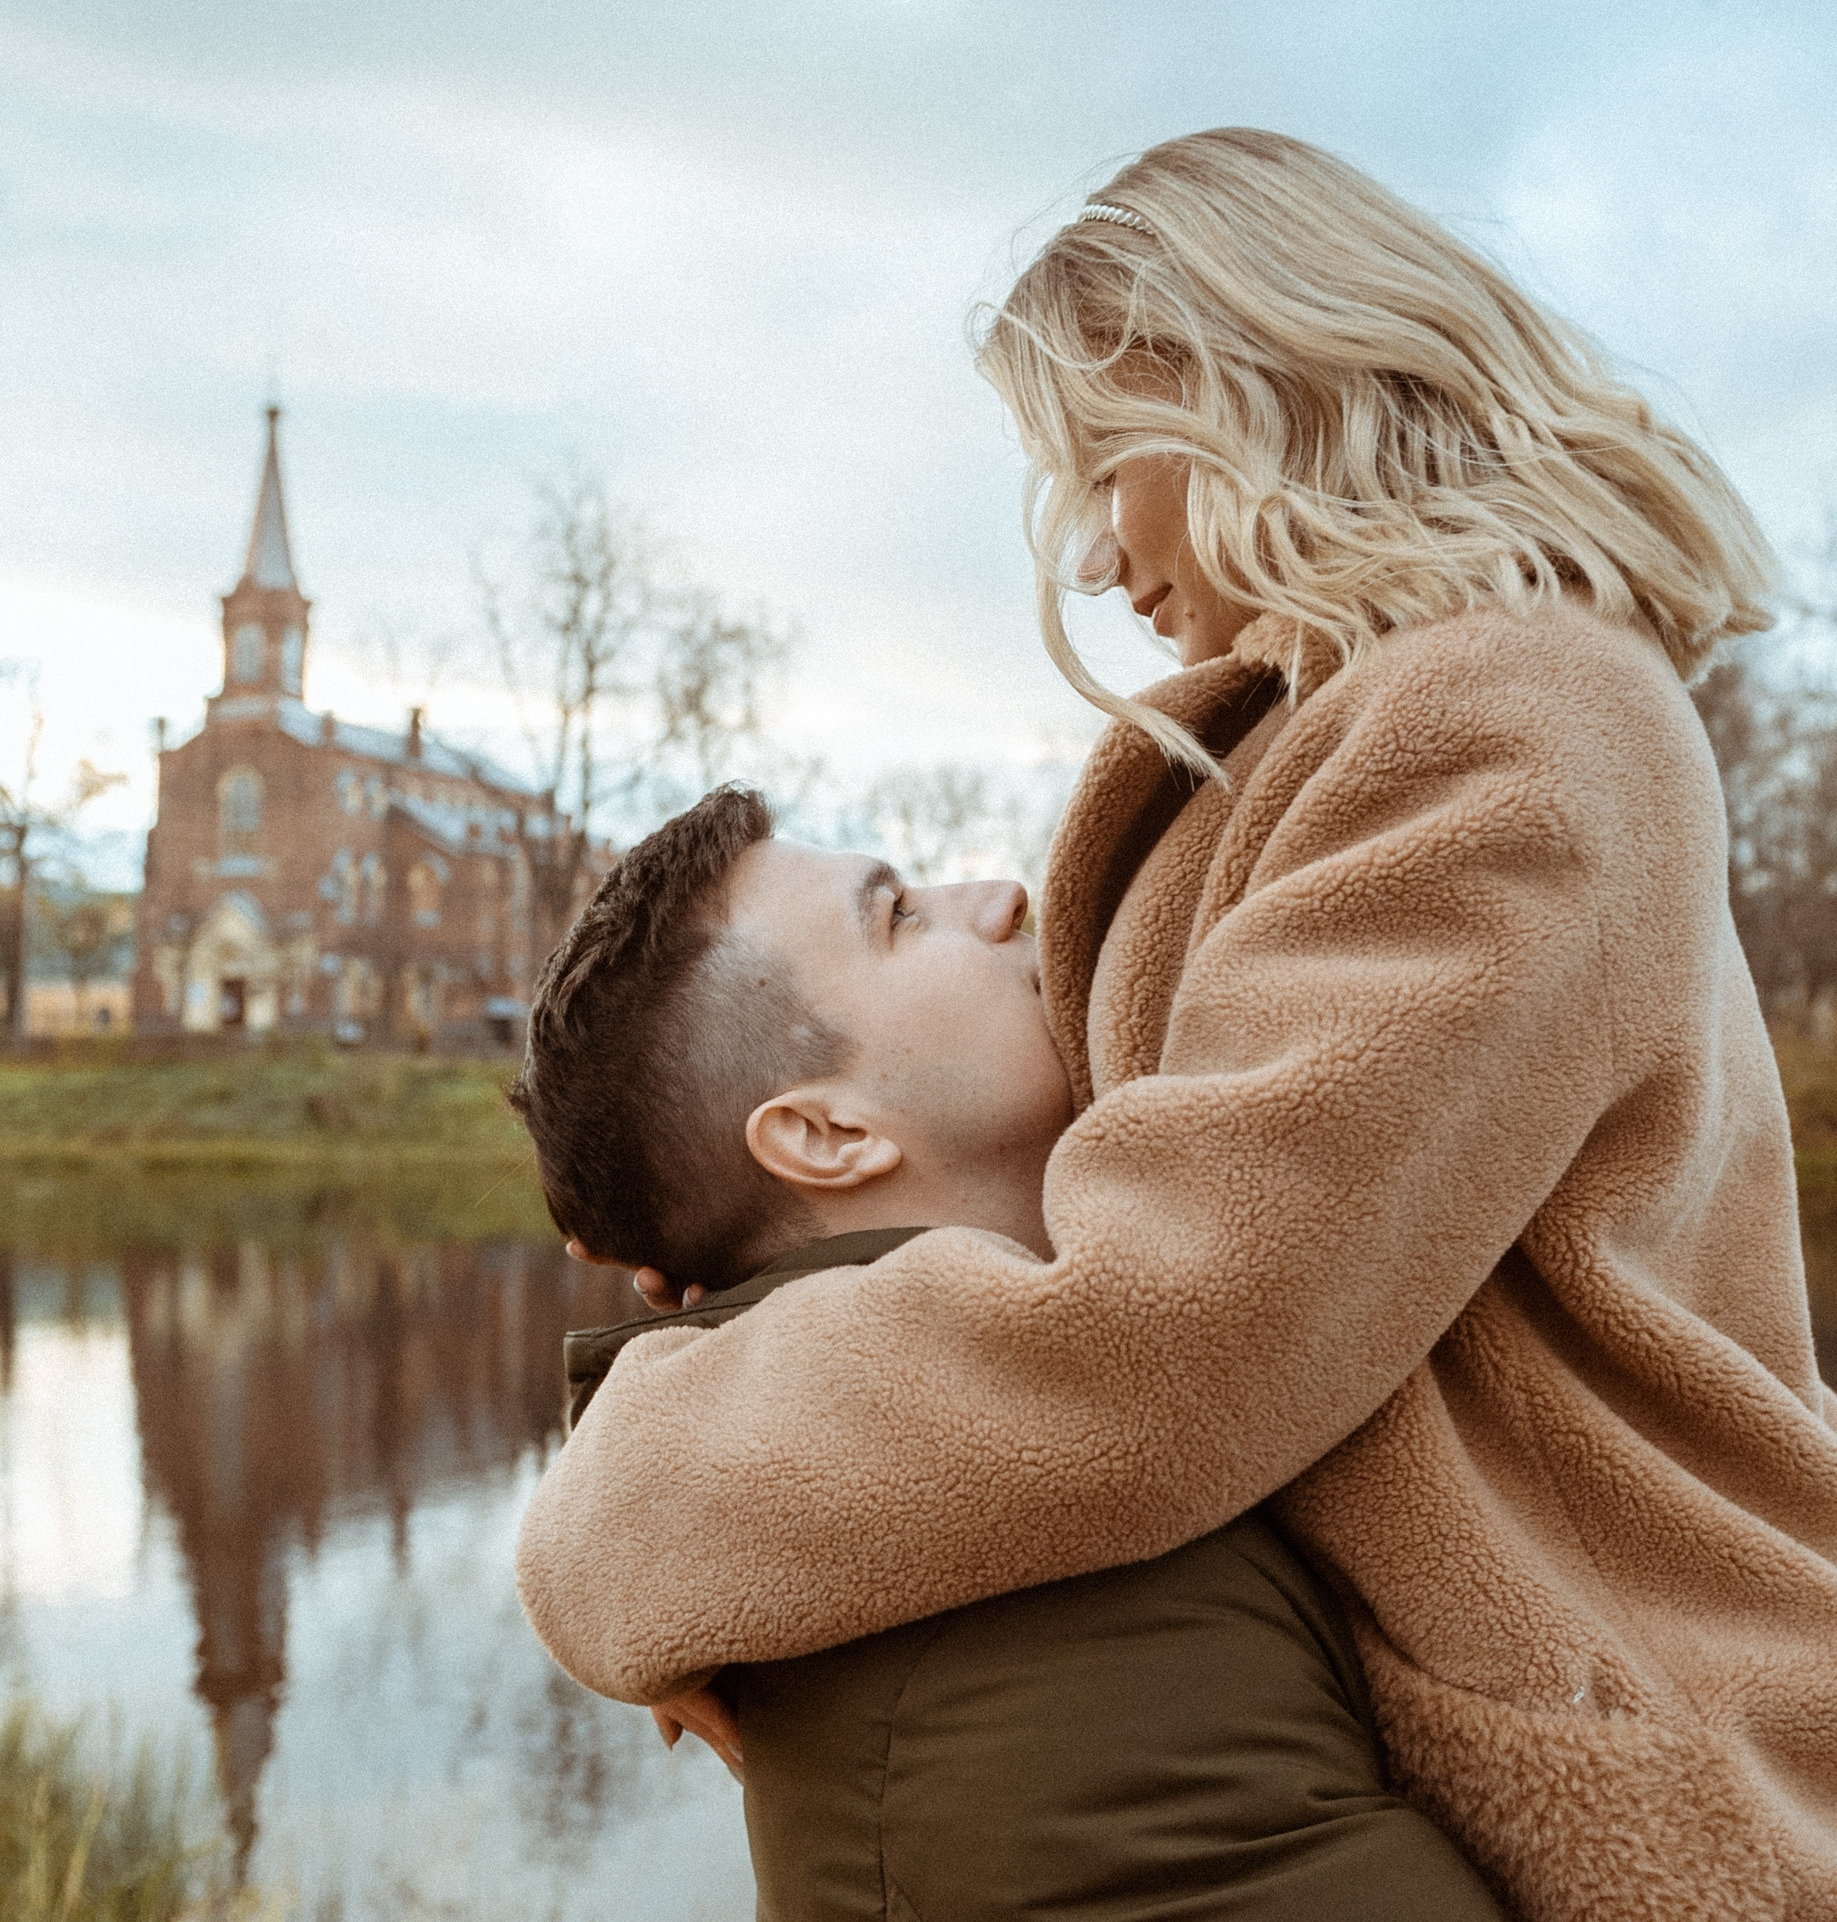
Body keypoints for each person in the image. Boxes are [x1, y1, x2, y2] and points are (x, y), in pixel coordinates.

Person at [518, 131, 1837, 1918]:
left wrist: (644, 1502)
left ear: (1242, 385)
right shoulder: (1326, 738)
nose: (1087, 557)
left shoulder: (1512, 721)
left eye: (1099, 470)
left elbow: (1172, 1333)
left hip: (1699, 1745)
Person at [513, 787, 1505, 1920]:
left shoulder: (1057, 1467)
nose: (999, 895)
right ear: (829, 1134)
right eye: (897, 915)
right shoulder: (1037, 1670)